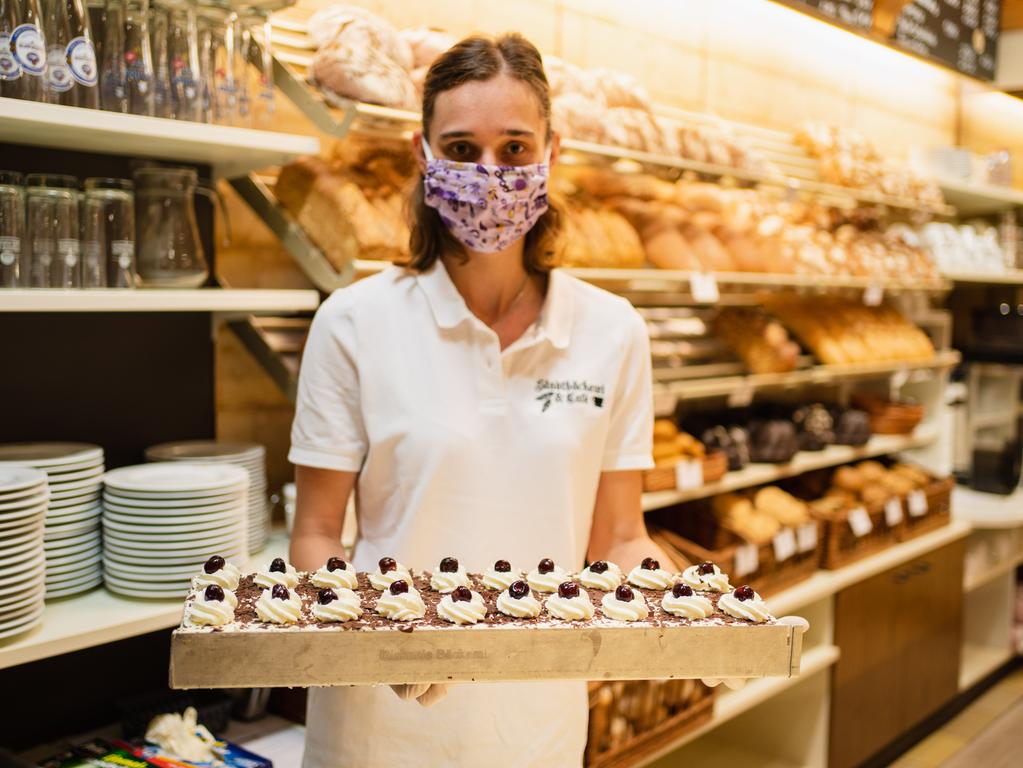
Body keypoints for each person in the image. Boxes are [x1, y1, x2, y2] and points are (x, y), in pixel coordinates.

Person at [288, 32, 674, 768]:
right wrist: (373, 633)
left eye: (515, 149)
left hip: (537, 723)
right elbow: (314, 534)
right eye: (461, 150)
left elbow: (619, 538)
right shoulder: (355, 321)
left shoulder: (611, 331)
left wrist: (690, 617)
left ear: (551, 155)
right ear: (422, 153)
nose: (489, 174)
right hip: (380, 728)